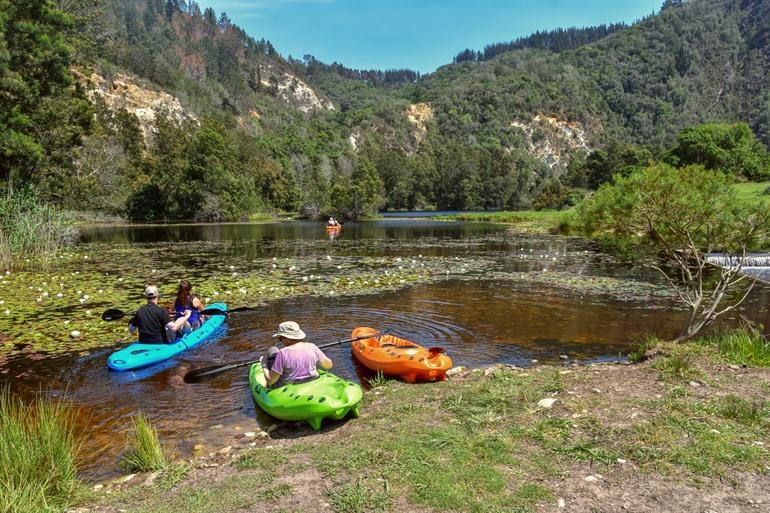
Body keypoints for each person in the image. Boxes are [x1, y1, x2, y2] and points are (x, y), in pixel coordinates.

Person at [261, 321, 333, 388]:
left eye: (280, 339)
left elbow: (271, 381)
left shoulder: (282, 353)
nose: (281, 341)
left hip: (289, 387)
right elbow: (329, 365)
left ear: (287, 339)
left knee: (273, 350)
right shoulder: (312, 346)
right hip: (313, 380)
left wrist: (264, 364)